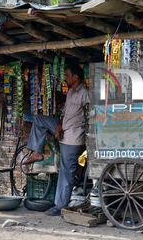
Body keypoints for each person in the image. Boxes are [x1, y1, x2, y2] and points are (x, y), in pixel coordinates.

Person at [23, 64, 91, 216]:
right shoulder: (70, 93)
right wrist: (59, 126)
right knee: (39, 119)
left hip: (73, 136)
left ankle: (60, 206)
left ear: (75, 77)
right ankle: (37, 152)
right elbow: (63, 113)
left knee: (66, 171)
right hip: (64, 129)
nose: (64, 78)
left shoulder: (85, 94)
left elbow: (90, 118)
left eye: (67, 75)